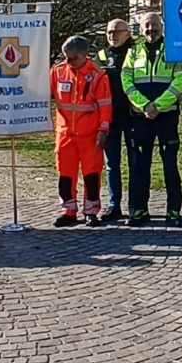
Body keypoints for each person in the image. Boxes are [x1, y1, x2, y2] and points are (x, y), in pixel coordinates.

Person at [121, 12, 182, 226]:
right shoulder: (133, 52)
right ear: (141, 30)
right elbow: (126, 81)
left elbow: (180, 81)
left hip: (167, 116)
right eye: (147, 26)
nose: (151, 29)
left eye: (155, 24)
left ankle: (174, 211)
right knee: (139, 165)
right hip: (141, 117)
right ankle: (138, 210)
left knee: (170, 166)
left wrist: (158, 106)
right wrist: (144, 105)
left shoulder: (174, 50)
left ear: (162, 26)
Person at [50, 35, 113, 227]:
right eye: (66, 56)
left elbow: (105, 105)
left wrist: (103, 129)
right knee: (65, 175)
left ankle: (91, 211)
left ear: (84, 55)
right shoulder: (57, 71)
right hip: (65, 134)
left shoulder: (97, 75)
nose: (68, 60)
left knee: (91, 175)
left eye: (72, 57)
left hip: (90, 134)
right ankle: (68, 211)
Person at [96, 18, 135, 222]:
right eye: (110, 32)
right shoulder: (101, 56)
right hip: (109, 117)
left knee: (135, 163)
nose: (113, 35)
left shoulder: (136, 52)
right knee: (112, 164)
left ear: (127, 33)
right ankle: (114, 205)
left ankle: (135, 205)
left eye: (117, 31)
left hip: (132, 115)